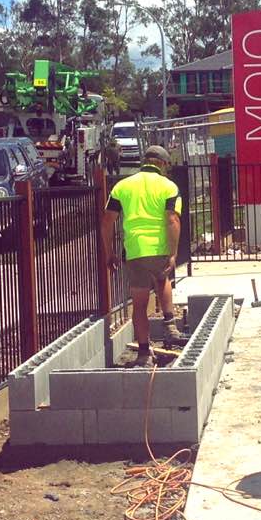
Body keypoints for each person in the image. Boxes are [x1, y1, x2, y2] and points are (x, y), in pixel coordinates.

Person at [102, 145, 184, 366]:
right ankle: (169, 324)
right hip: (159, 248)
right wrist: (173, 252)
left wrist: (109, 253)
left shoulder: (122, 186)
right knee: (162, 278)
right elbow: (172, 220)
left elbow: (108, 220)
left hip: (135, 250)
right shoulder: (169, 187)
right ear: (163, 164)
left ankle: (144, 353)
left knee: (139, 305)